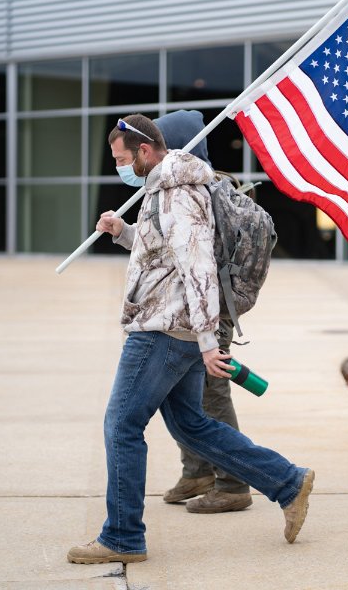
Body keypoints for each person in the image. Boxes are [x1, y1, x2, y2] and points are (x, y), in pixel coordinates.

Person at [67, 114, 314, 565]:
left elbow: (198, 265)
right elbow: (164, 247)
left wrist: (206, 339)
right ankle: (287, 482)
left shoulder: (177, 192)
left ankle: (122, 536)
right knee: (190, 425)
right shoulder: (163, 188)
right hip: (171, 325)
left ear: (145, 150)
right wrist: (123, 233)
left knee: (122, 426)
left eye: (123, 159)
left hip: (163, 330)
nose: (120, 168)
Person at [154, 109, 251, 514]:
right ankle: (197, 471)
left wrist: (209, 333)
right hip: (189, 311)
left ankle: (233, 484)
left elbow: (198, 264)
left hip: (208, 313)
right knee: (182, 394)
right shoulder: (186, 187)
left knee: (211, 394)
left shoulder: (200, 191)